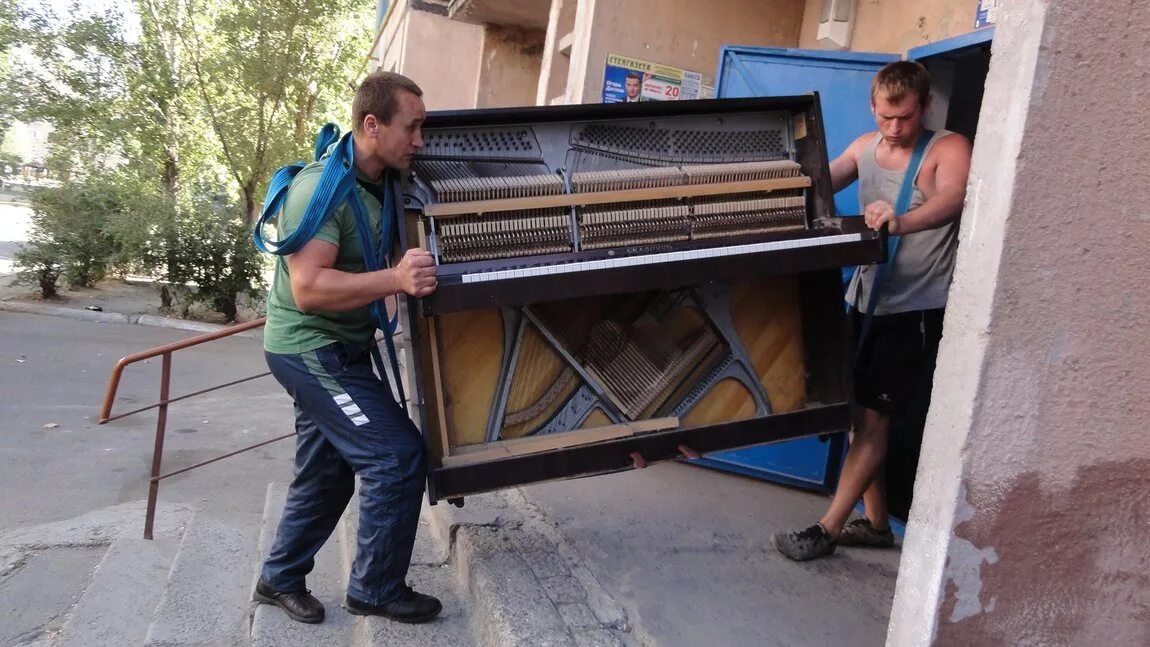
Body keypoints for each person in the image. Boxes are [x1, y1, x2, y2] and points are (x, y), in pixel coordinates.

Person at [252, 71, 442, 623]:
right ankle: (375, 588)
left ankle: (278, 578)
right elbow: (309, 289)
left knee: (328, 472)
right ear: (371, 125)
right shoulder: (321, 188)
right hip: (311, 349)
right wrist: (396, 281)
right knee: (396, 456)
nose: (420, 141)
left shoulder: (377, 180)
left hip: (337, 347)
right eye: (412, 128)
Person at [772, 61, 972, 561]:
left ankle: (827, 529)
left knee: (875, 421)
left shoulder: (946, 149)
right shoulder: (865, 148)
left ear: (924, 107)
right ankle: (879, 525)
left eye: (904, 117)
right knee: (861, 417)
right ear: (873, 108)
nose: (895, 127)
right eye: (885, 117)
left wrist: (899, 221)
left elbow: (953, 198)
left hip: (913, 309)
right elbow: (815, 182)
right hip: (863, 301)